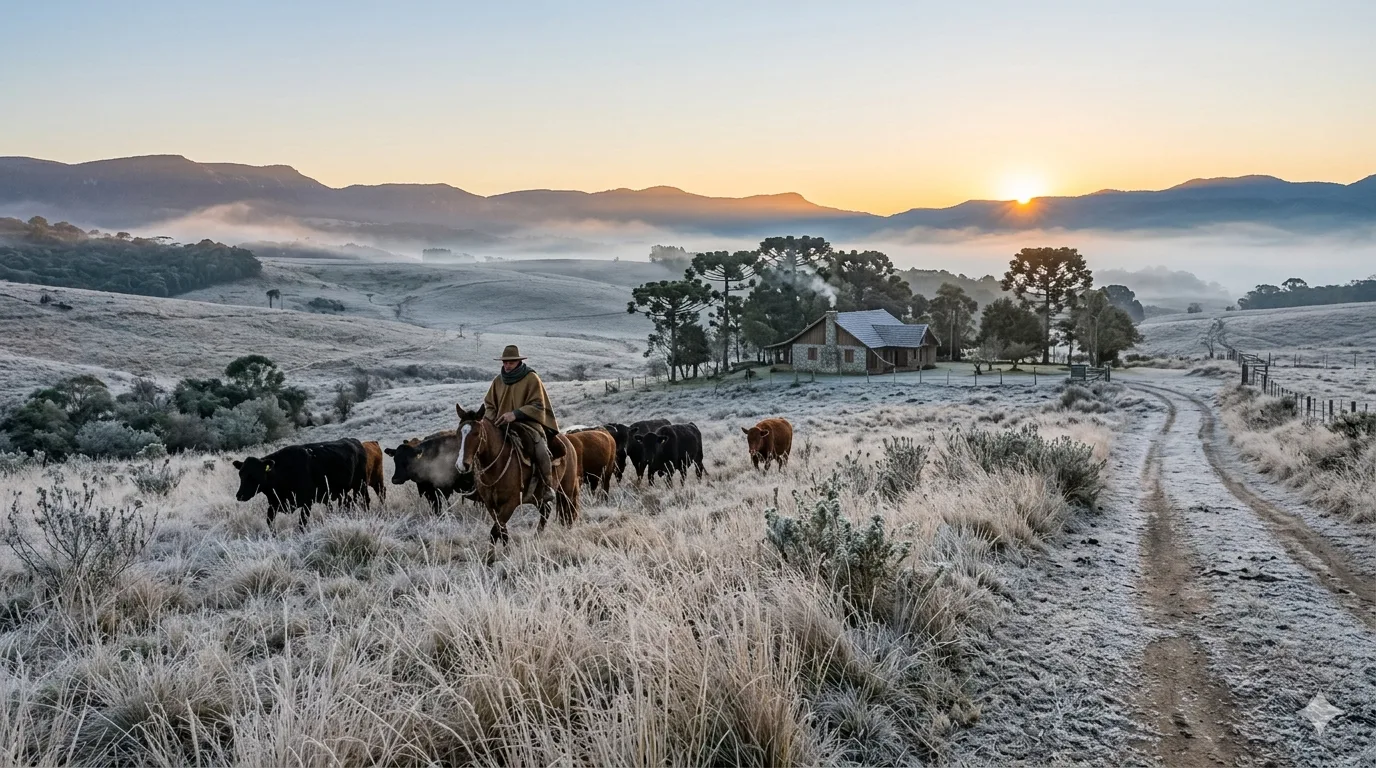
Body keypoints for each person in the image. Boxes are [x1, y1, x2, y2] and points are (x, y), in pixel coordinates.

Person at [481, 345, 561, 505]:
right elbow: (489, 404)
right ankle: (479, 486)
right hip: (501, 424)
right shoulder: (498, 380)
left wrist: (515, 414)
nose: (507, 365)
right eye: (505, 362)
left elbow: (538, 404)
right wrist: (492, 420)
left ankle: (546, 486)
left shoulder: (531, 378)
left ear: (518, 361)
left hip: (528, 423)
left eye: (510, 362)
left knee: (540, 447)